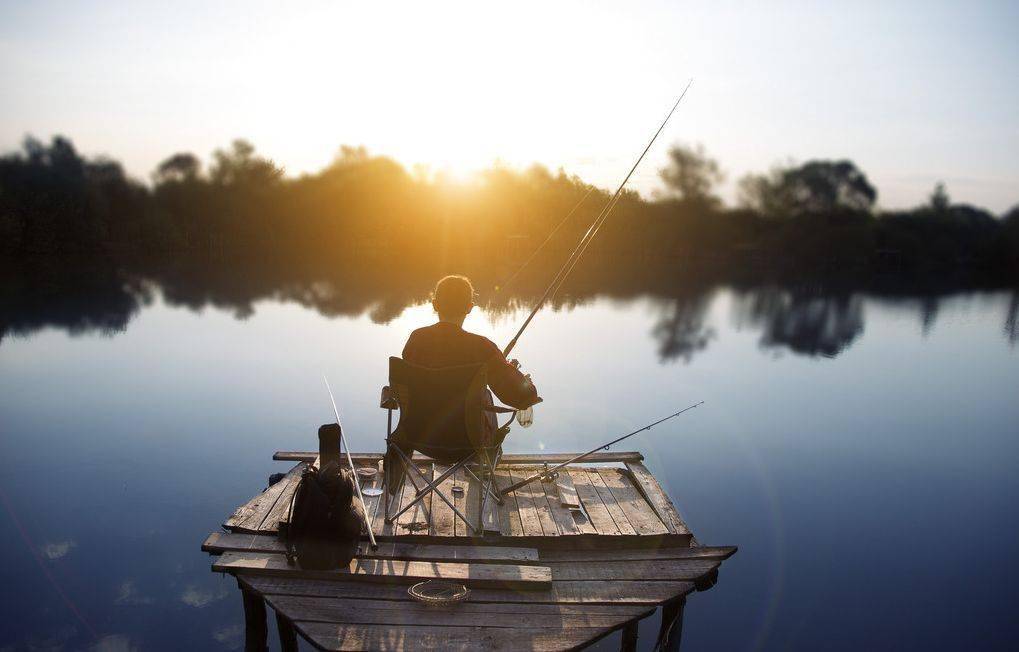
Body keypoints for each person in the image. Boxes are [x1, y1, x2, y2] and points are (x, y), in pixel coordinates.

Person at [385, 275, 540, 491]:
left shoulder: (416, 340)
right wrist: (518, 377)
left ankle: (392, 495)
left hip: (416, 437)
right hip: (468, 444)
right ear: (469, 307)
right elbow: (521, 397)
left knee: (477, 394)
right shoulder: (483, 348)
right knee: (484, 396)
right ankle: (485, 472)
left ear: (435, 304)